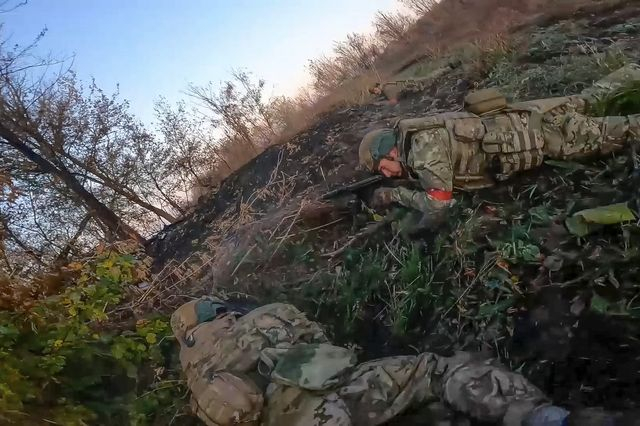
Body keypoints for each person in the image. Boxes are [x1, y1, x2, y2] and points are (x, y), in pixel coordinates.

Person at [171, 297, 577, 426]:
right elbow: (324, 342)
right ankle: (543, 417)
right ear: (217, 310)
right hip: (347, 387)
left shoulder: (198, 381)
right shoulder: (267, 312)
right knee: (434, 371)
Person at [358, 64, 640, 227]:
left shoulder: (422, 150)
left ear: (391, 150)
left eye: (383, 167)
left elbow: (438, 205)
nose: (387, 175)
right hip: (531, 113)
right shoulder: (421, 133)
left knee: (625, 129)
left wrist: (396, 196)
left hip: (546, 136)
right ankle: (632, 70)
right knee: (589, 97)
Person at [369, 60, 462, 105]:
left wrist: (386, 102)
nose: (376, 92)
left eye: (375, 90)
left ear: (376, 88)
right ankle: (446, 67)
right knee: (430, 77)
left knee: (431, 78)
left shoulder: (386, 90)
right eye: (375, 92)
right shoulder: (384, 87)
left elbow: (394, 100)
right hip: (411, 84)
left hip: (413, 84)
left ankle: (450, 67)